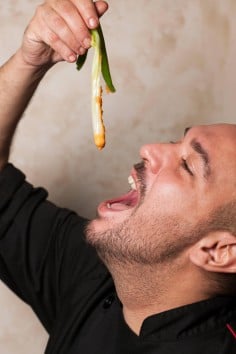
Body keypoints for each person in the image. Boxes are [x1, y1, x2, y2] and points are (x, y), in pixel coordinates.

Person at [0, 0, 235, 353]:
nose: (149, 148)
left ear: (218, 251)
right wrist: (29, 62)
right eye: (176, 141)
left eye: (188, 165)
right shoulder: (103, 273)